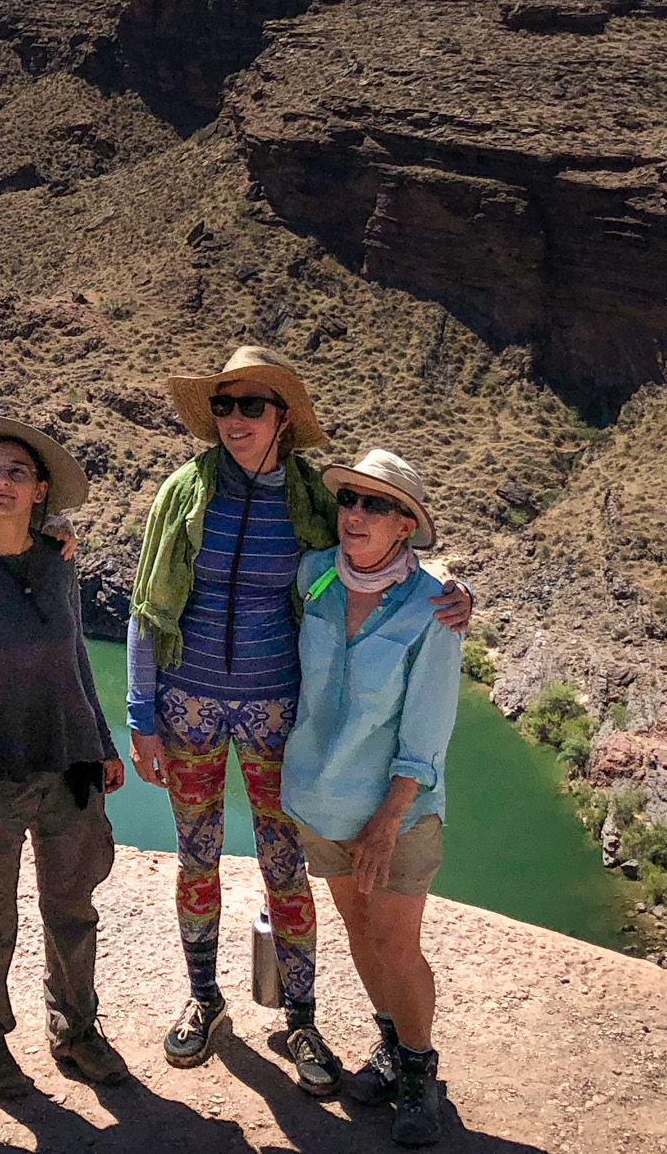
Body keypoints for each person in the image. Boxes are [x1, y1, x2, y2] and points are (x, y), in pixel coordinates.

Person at [124, 346, 470, 1097]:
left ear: (283, 418)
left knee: (287, 870)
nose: (236, 419)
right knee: (196, 860)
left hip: (279, 719)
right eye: (225, 405)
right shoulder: (184, 493)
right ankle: (205, 999)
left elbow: (375, 568)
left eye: (253, 406)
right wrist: (140, 712)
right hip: (187, 709)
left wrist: (454, 595)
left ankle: (303, 1017)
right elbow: (148, 606)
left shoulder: (313, 503)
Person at [0, 417, 129, 1100]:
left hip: (67, 762)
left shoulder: (58, 561)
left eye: (18, 472)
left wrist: (101, 742)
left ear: (40, 490)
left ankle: (77, 1030)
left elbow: (73, 656)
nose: (4, 482)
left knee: (72, 908)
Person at [283, 448, 462, 1146]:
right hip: (320, 800)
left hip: (399, 811)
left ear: (406, 526)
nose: (357, 514)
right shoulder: (316, 576)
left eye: (378, 505)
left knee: (395, 940)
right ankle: (390, 1044)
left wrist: (386, 822)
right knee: (359, 931)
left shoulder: (434, 611)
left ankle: (419, 1072)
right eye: (351, 501)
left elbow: (426, 732)